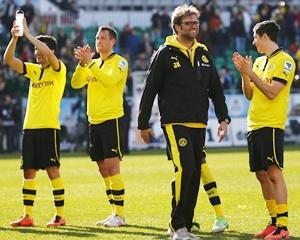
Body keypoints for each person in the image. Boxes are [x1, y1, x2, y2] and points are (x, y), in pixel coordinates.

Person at [138, 4, 230, 240]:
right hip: (174, 122)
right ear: (177, 27)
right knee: (185, 169)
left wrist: (223, 118)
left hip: (200, 122)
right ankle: (177, 226)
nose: (194, 27)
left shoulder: (203, 52)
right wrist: (143, 124)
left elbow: (216, 89)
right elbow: (149, 90)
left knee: (193, 172)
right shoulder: (164, 54)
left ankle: (184, 226)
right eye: (188, 23)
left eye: (196, 23)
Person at [233, 20, 295, 240]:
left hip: (271, 124)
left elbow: (271, 92)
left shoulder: (285, 61)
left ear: (265, 36)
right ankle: (273, 222)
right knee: (261, 174)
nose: (253, 41)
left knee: (274, 173)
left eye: (255, 36)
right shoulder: (258, 62)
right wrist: (244, 74)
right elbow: (249, 95)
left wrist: (251, 72)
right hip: (254, 124)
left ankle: (283, 227)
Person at [4, 18, 66, 227]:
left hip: (49, 128)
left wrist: (29, 35)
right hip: (29, 128)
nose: (37, 53)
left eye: (40, 49)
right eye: (35, 50)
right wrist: (14, 38)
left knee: (52, 171)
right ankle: (28, 216)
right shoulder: (34, 70)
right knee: (28, 171)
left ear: (52, 51)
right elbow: (8, 59)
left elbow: (49, 55)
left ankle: (60, 216)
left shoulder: (59, 69)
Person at [71, 26, 128, 227]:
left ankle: (120, 215)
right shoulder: (92, 63)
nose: (98, 41)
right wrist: (81, 64)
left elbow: (110, 81)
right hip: (93, 121)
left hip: (111, 120)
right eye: (97, 38)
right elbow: (76, 83)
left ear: (113, 41)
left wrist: (90, 65)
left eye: (103, 38)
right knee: (103, 169)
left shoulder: (120, 62)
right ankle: (113, 212)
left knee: (113, 167)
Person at [192, 149, 229, 233]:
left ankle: (220, 217)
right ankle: (190, 219)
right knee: (182, 169)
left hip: (194, 136)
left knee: (201, 163)